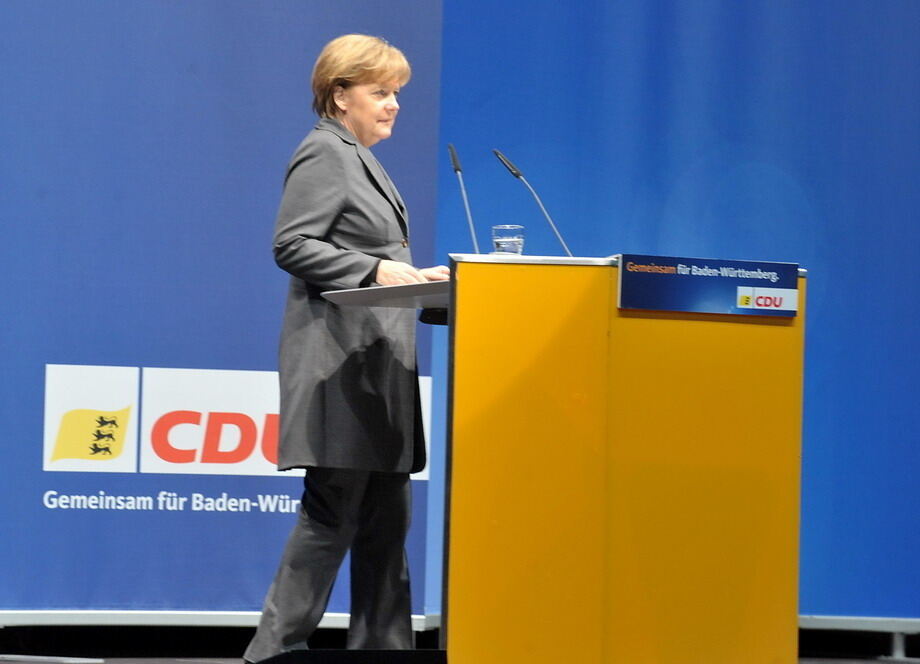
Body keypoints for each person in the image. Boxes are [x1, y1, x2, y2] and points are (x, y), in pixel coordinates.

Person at [243, 34, 448, 662]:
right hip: (340, 368)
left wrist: (428, 282)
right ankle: (271, 652)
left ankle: (383, 648)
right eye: (380, 92)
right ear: (340, 95)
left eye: (396, 95)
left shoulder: (360, 157)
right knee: (330, 516)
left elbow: (371, 257)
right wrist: (381, 271)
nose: (393, 106)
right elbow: (293, 244)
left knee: (387, 524)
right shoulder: (326, 153)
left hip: (379, 369)